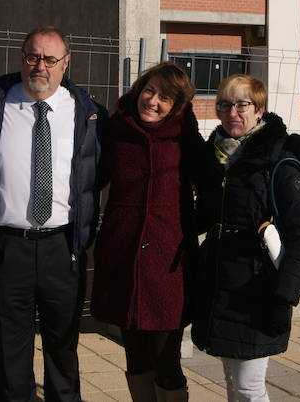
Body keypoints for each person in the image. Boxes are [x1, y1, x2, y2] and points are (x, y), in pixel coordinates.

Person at [0, 26, 108, 401]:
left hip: (62, 248)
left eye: (50, 59)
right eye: (33, 57)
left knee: (63, 348)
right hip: (7, 247)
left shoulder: (90, 113)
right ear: (21, 59)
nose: (40, 66)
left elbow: (99, 172)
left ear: (66, 63)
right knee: (10, 348)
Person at [192, 75, 300, 402]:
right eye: (224, 105)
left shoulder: (278, 162)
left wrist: (284, 297)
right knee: (233, 382)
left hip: (259, 288)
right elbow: (205, 215)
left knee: (249, 387)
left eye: (242, 105)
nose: (232, 112)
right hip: (220, 284)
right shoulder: (215, 158)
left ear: (259, 110)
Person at [91, 62, 202, 402]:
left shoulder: (185, 138)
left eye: (164, 97)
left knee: (167, 359)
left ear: (177, 105)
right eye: (149, 90)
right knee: (135, 355)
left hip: (170, 266)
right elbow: (93, 177)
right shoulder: (116, 131)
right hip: (123, 258)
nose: (152, 101)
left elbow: (214, 187)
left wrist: (188, 230)